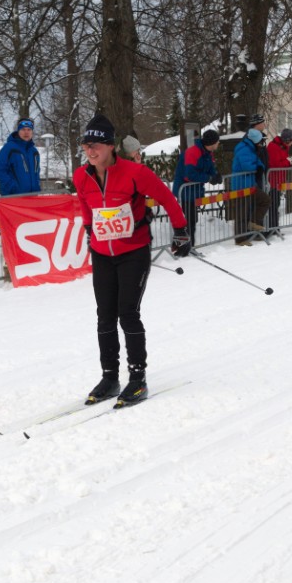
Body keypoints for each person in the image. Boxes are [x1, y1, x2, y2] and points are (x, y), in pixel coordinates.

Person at [74, 113, 190, 407]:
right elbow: (86, 206)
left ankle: (137, 380)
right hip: (102, 253)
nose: (90, 151)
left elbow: (166, 197)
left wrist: (181, 232)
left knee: (127, 313)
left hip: (133, 252)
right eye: (86, 146)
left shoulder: (135, 173)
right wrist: (90, 231)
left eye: (95, 145)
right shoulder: (81, 176)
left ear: (110, 146)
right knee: (104, 315)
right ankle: (110, 377)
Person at [172, 129, 222, 247]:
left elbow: (210, 168)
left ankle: (189, 246)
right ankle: (185, 247)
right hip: (185, 191)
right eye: (217, 142)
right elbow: (189, 175)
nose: (218, 144)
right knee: (188, 222)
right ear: (212, 143)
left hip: (194, 191)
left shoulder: (208, 153)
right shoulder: (193, 152)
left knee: (192, 220)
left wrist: (215, 176)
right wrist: (209, 178)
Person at [230, 128, 271, 245]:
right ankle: (240, 239)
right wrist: (256, 168)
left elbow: (258, 162)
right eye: (259, 142)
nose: (260, 144)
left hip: (249, 183)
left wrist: (259, 167)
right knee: (241, 212)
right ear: (254, 141)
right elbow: (247, 166)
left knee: (265, 200)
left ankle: (254, 222)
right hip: (241, 185)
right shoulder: (243, 149)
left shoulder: (251, 148)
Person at [0, 117, 41, 196]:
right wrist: (13, 187)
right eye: (23, 130)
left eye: (29, 130)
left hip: (33, 197)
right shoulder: (8, 148)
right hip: (13, 197)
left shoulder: (34, 152)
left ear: (32, 132)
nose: (26, 132)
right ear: (18, 131)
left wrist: (37, 187)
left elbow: (37, 173)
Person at [266, 128, 292, 233]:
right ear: (287, 140)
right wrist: (289, 161)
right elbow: (276, 164)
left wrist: (289, 161)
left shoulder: (283, 147)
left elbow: (283, 162)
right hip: (273, 181)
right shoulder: (274, 147)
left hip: (278, 180)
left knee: (276, 204)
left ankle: (275, 226)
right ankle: (272, 227)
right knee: (273, 205)